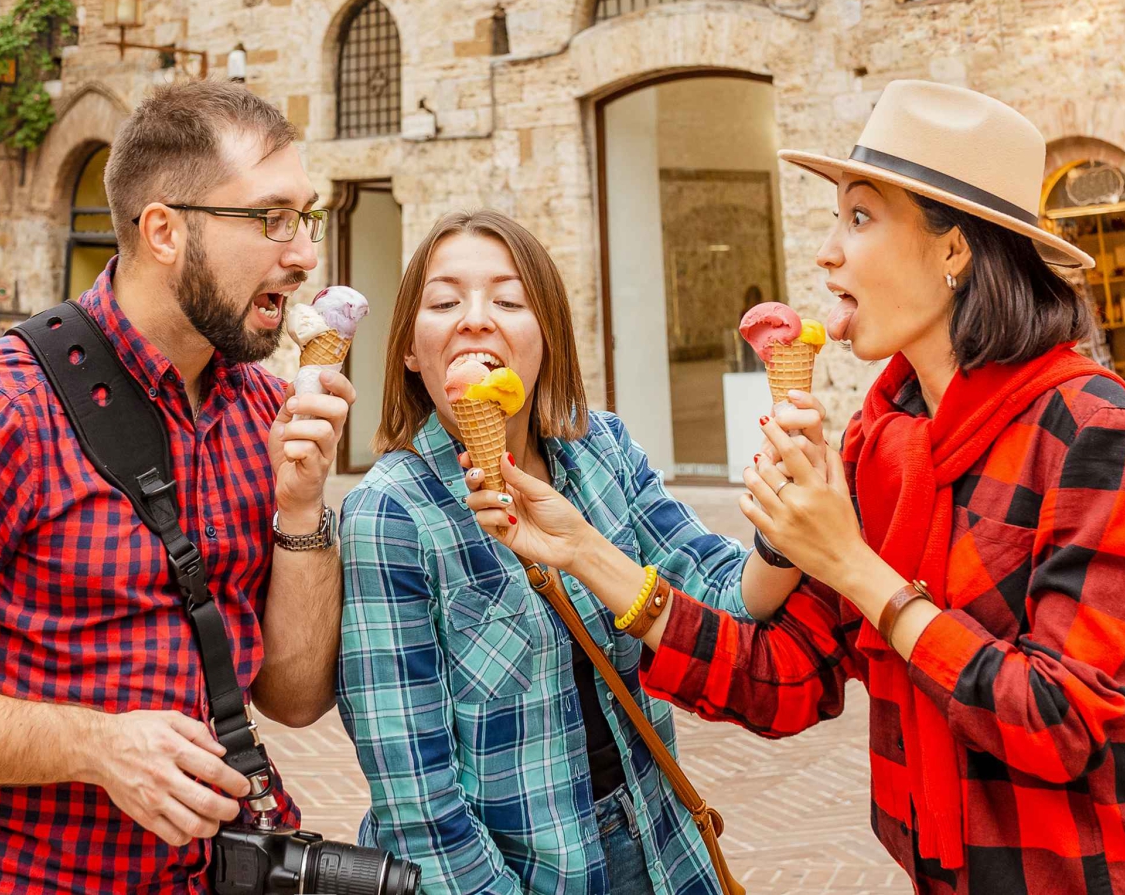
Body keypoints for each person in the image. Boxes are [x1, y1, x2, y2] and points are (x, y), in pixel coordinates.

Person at [468, 82, 1125, 894]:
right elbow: (786, 676)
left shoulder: (1088, 425)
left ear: (955, 251)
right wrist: (587, 552)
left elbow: (1059, 722)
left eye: (861, 217)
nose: (827, 251)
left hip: (1115, 874)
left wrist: (853, 564)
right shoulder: (880, 440)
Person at [0, 81, 352, 893]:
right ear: (166, 230)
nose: (305, 253)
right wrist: (94, 745)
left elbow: (294, 693)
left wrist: (302, 509)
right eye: (272, 217)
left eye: (305, 217)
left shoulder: (265, 413)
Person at [336, 209, 795, 895]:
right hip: (515, 874)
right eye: (444, 301)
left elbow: (723, 592)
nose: (475, 318)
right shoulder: (389, 513)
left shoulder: (600, 450)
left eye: (509, 299)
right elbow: (420, 808)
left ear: (545, 335)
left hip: (663, 845)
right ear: (408, 348)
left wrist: (787, 516)